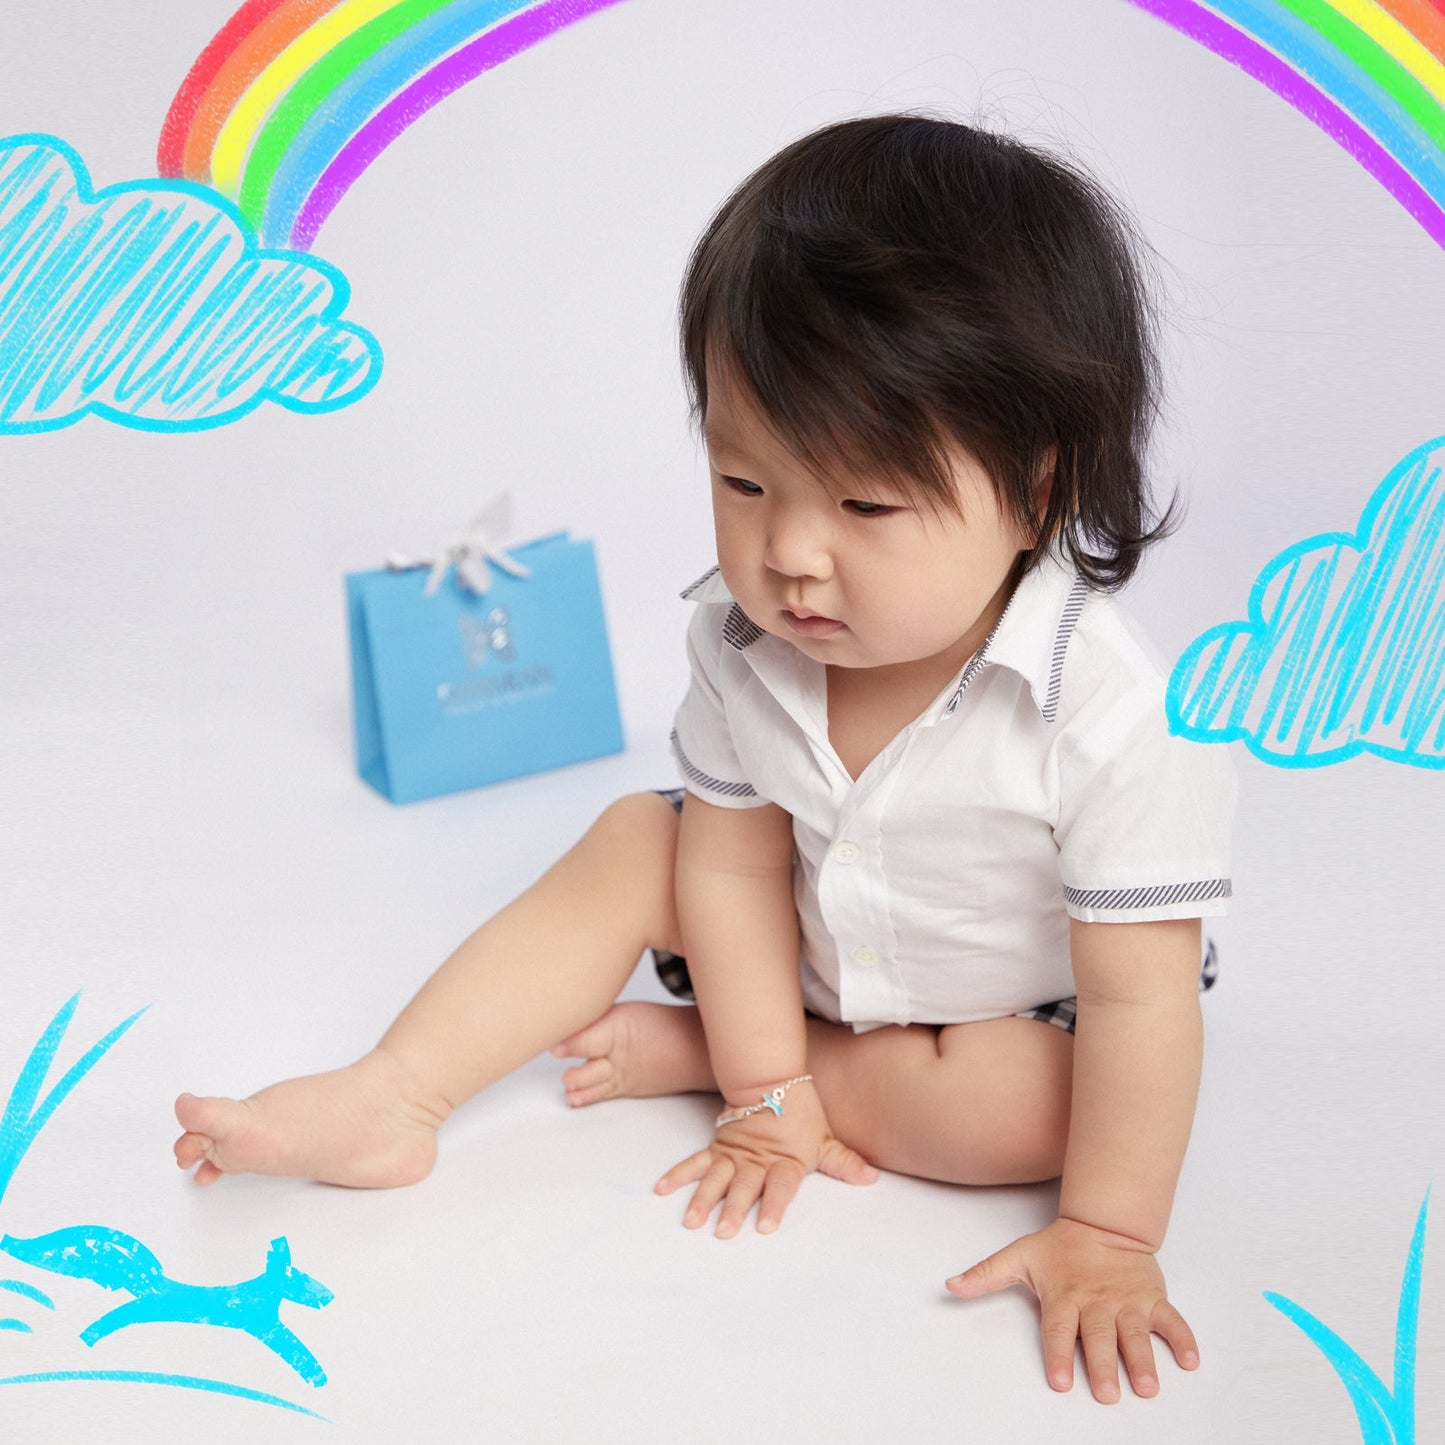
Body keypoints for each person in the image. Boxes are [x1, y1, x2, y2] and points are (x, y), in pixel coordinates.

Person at [173, 114, 1235, 1406]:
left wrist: (1110, 1234)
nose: (789, 552)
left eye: (864, 505)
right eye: (744, 482)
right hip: (795, 943)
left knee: (1036, 1110)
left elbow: (1139, 999)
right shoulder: (739, 637)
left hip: (1000, 1010)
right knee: (643, 837)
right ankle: (396, 1091)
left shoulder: (1107, 707)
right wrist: (762, 1090)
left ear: (1037, 490)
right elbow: (728, 870)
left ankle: (713, 1055)